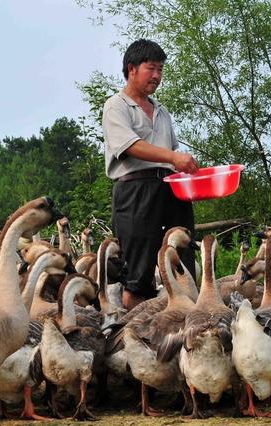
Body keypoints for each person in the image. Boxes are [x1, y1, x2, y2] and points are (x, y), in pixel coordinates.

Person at [102, 39, 199, 310]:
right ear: (131, 69)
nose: (157, 76)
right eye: (151, 69)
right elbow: (130, 146)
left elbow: (173, 156)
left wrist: (190, 174)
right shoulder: (116, 106)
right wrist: (173, 157)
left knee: (183, 265)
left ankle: (180, 334)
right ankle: (133, 338)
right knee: (138, 275)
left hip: (170, 191)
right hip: (135, 192)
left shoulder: (162, 111)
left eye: (160, 70)